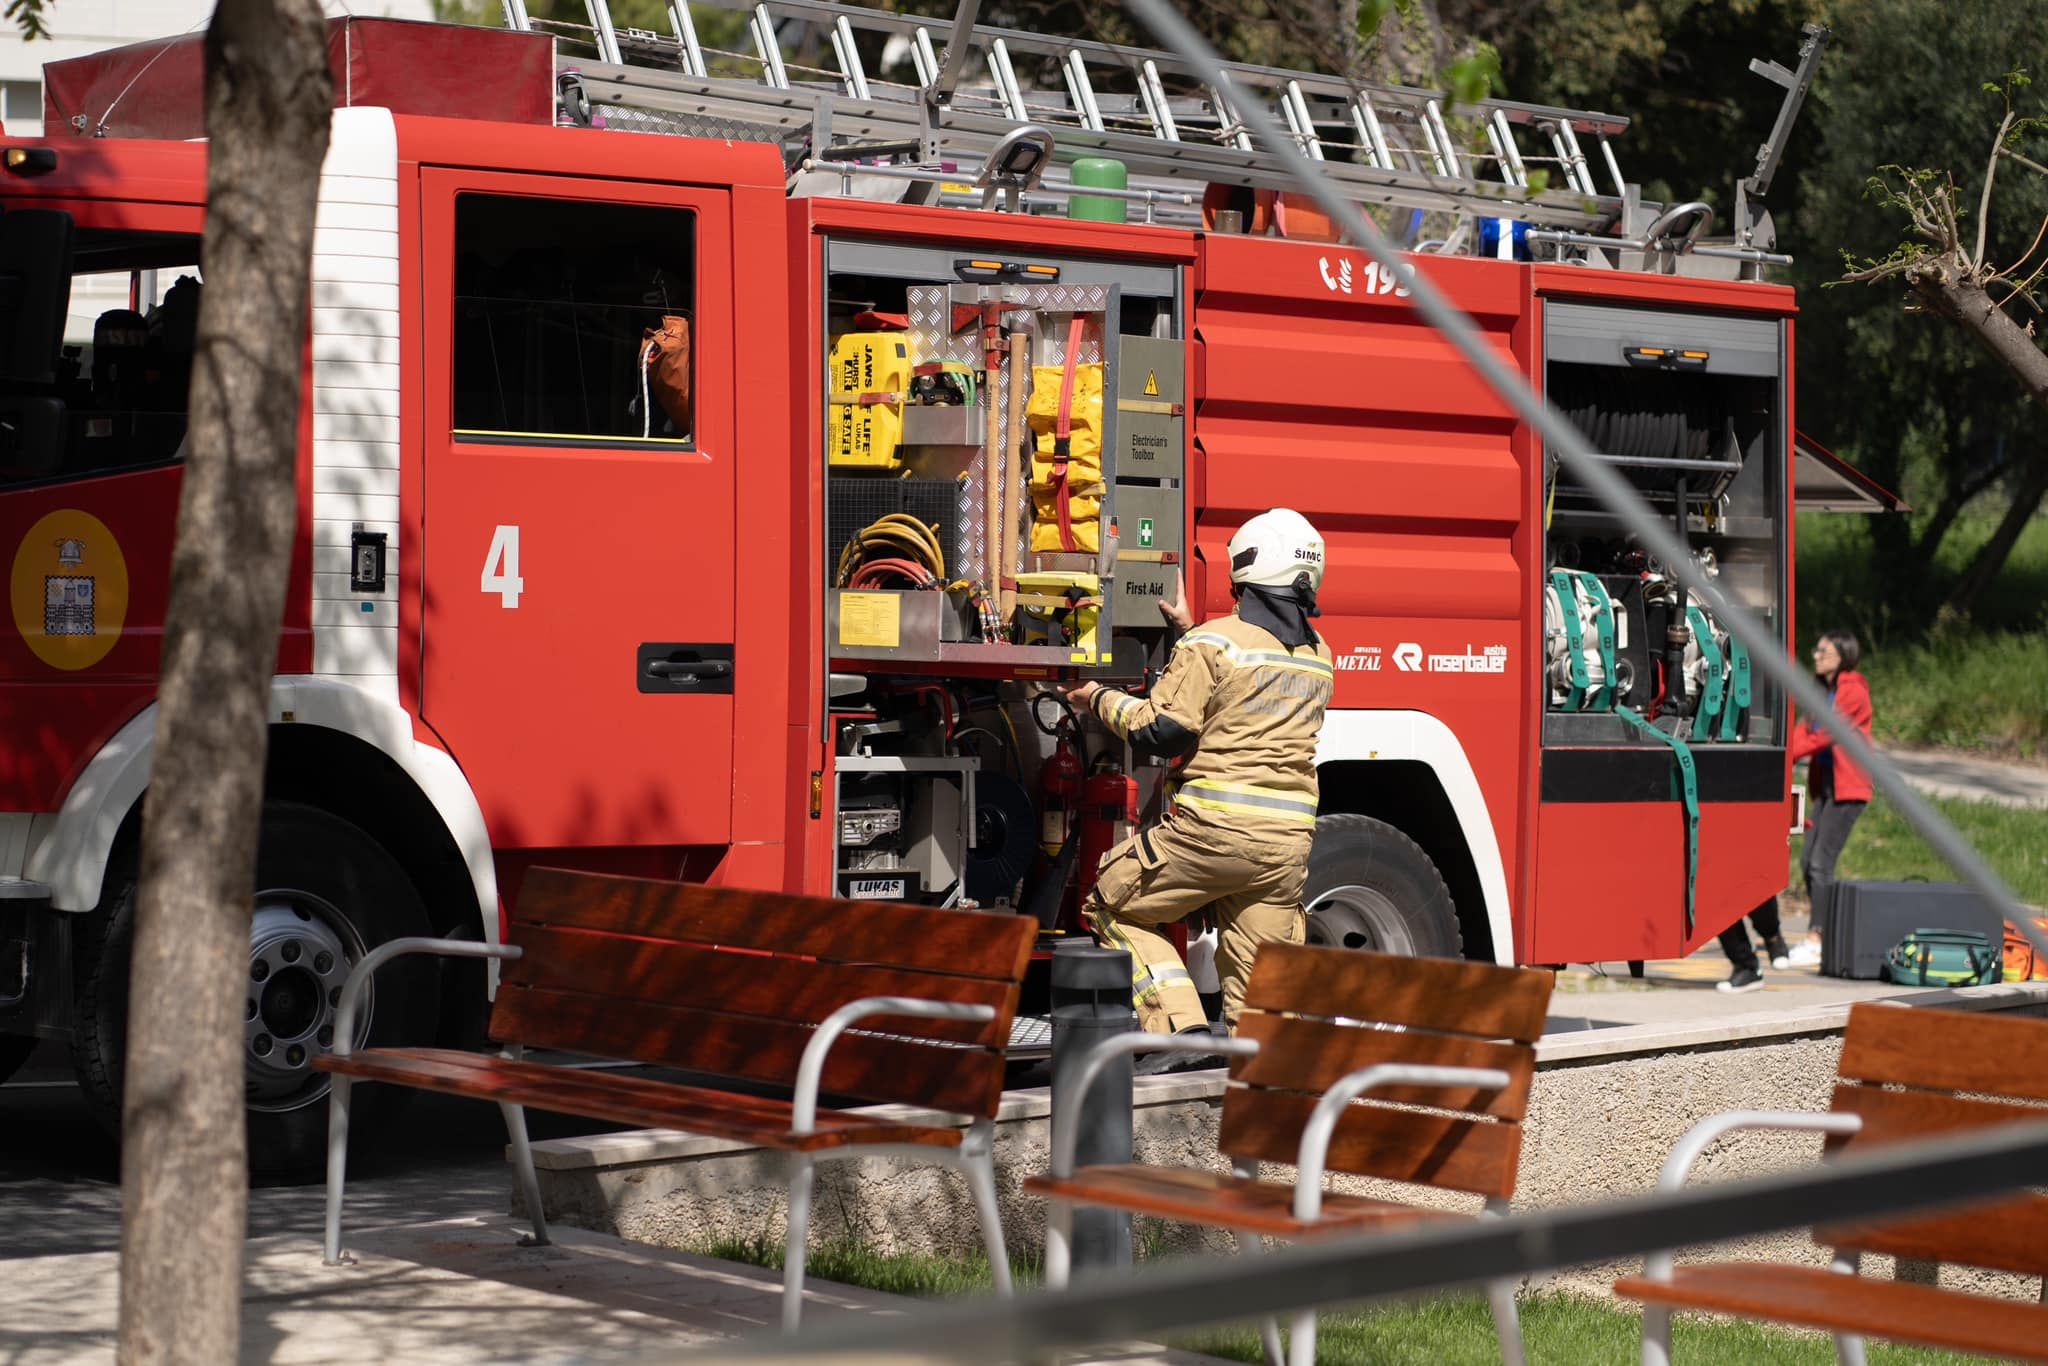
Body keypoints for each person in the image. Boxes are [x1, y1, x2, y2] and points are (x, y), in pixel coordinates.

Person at [1060, 508, 1334, 1037]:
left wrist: (1093, 696)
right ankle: (1267, 1085)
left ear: (1246, 573)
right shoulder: (1319, 655)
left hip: (1212, 835)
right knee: (1263, 994)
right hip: (1286, 850)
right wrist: (1189, 633)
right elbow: (1246, 691)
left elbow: (1162, 731)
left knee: (1110, 903)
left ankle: (1179, 1029)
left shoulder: (1212, 645)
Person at [1718, 630, 1872, 992]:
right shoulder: (1823, 692)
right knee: (1808, 863)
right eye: (1816, 648)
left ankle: (1818, 939)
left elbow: (1822, 736)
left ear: (1843, 655)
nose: (1816, 655)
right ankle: (1815, 936)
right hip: (1829, 788)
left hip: (1850, 788)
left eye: (1824, 650)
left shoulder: (1852, 690)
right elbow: (1803, 732)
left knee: (1821, 863)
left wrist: (1779, 757)